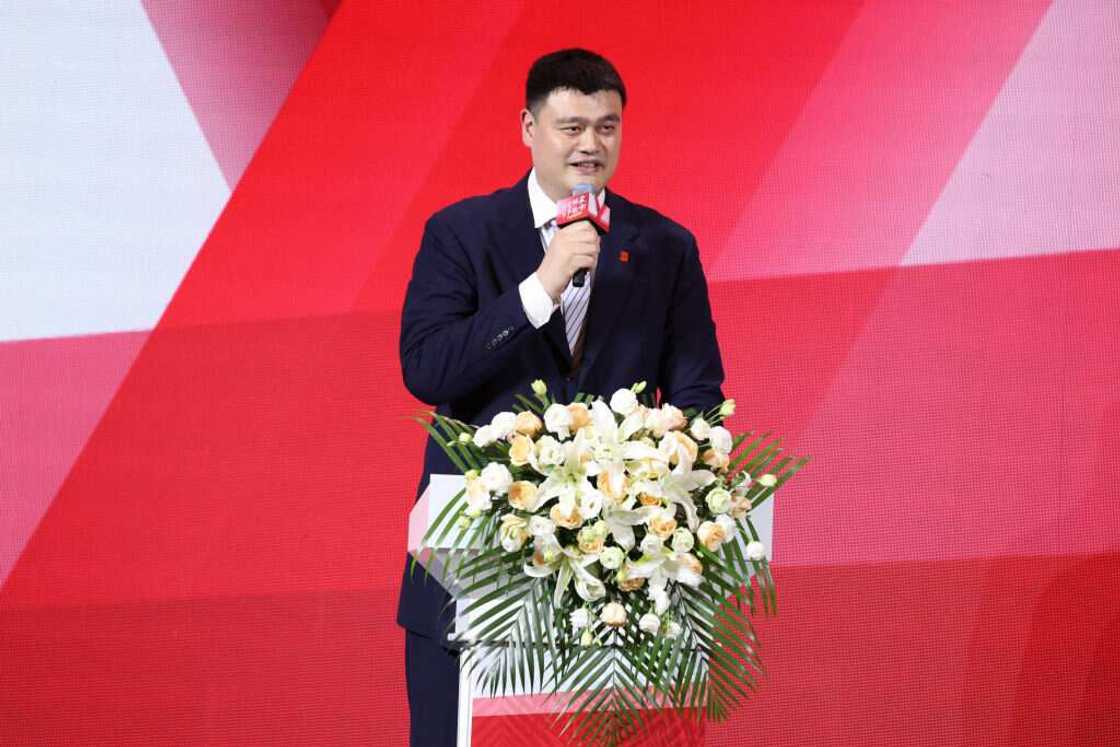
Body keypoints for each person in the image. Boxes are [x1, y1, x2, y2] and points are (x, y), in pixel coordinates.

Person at [396, 48, 726, 746]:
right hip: (474, 570)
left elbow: (697, 392)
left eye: (607, 127)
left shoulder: (665, 246)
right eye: (571, 126)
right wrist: (538, 288)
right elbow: (427, 368)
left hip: (616, 578)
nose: (591, 144)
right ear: (528, 127)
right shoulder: (461, 234)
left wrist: (669, 474)